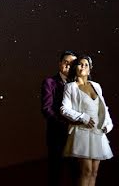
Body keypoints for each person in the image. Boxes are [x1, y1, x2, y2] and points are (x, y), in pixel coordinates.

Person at [60, 55, 113, 186]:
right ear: (75, 68)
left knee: (94, 172)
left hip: (97, 132)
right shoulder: (71, 86)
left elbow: (103, 108)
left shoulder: (96, 86)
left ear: (89, 70)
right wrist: (82, 117)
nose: (83, 66)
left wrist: (108, 124)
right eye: (80, 64)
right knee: (86, 171)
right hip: (82, 132)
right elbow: (64, 109)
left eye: (86, 64)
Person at [41, 50, 77, 186]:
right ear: (60, 64)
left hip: (76, 137)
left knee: (77, 174)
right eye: (65, 62)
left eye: (72, 63)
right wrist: (63, 124)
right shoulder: (49, 82)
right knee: (55, 174)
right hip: (57, 136)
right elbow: (46, 109)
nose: (68, 65)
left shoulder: (79, 85)